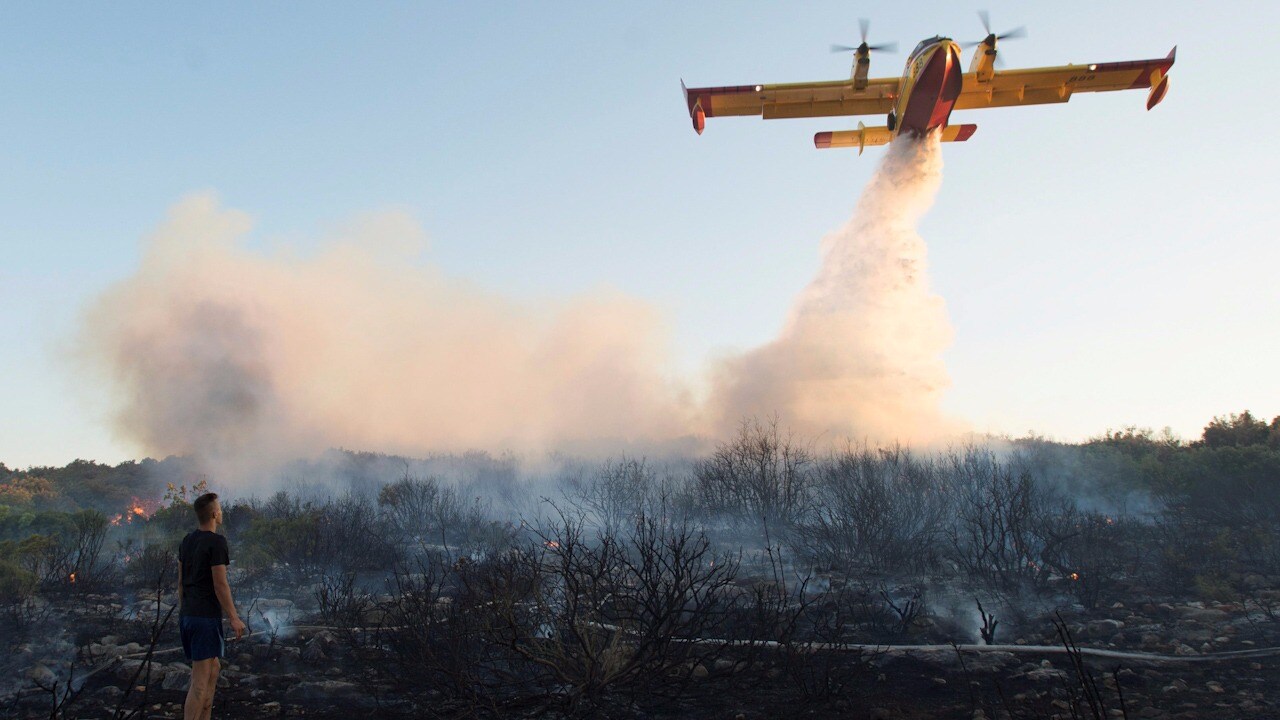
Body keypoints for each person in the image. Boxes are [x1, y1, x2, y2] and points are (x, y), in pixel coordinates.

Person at [177, 493, 247, 720]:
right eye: (220, 509)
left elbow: (180, 583)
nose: (222, 512)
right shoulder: (217, 542)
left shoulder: (187, 541)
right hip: (204, 618)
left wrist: (184, 613)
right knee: (199, 683)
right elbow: (220, 584)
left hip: (189, 616)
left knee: (213, 670)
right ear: (215, 514)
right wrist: (234, 617)